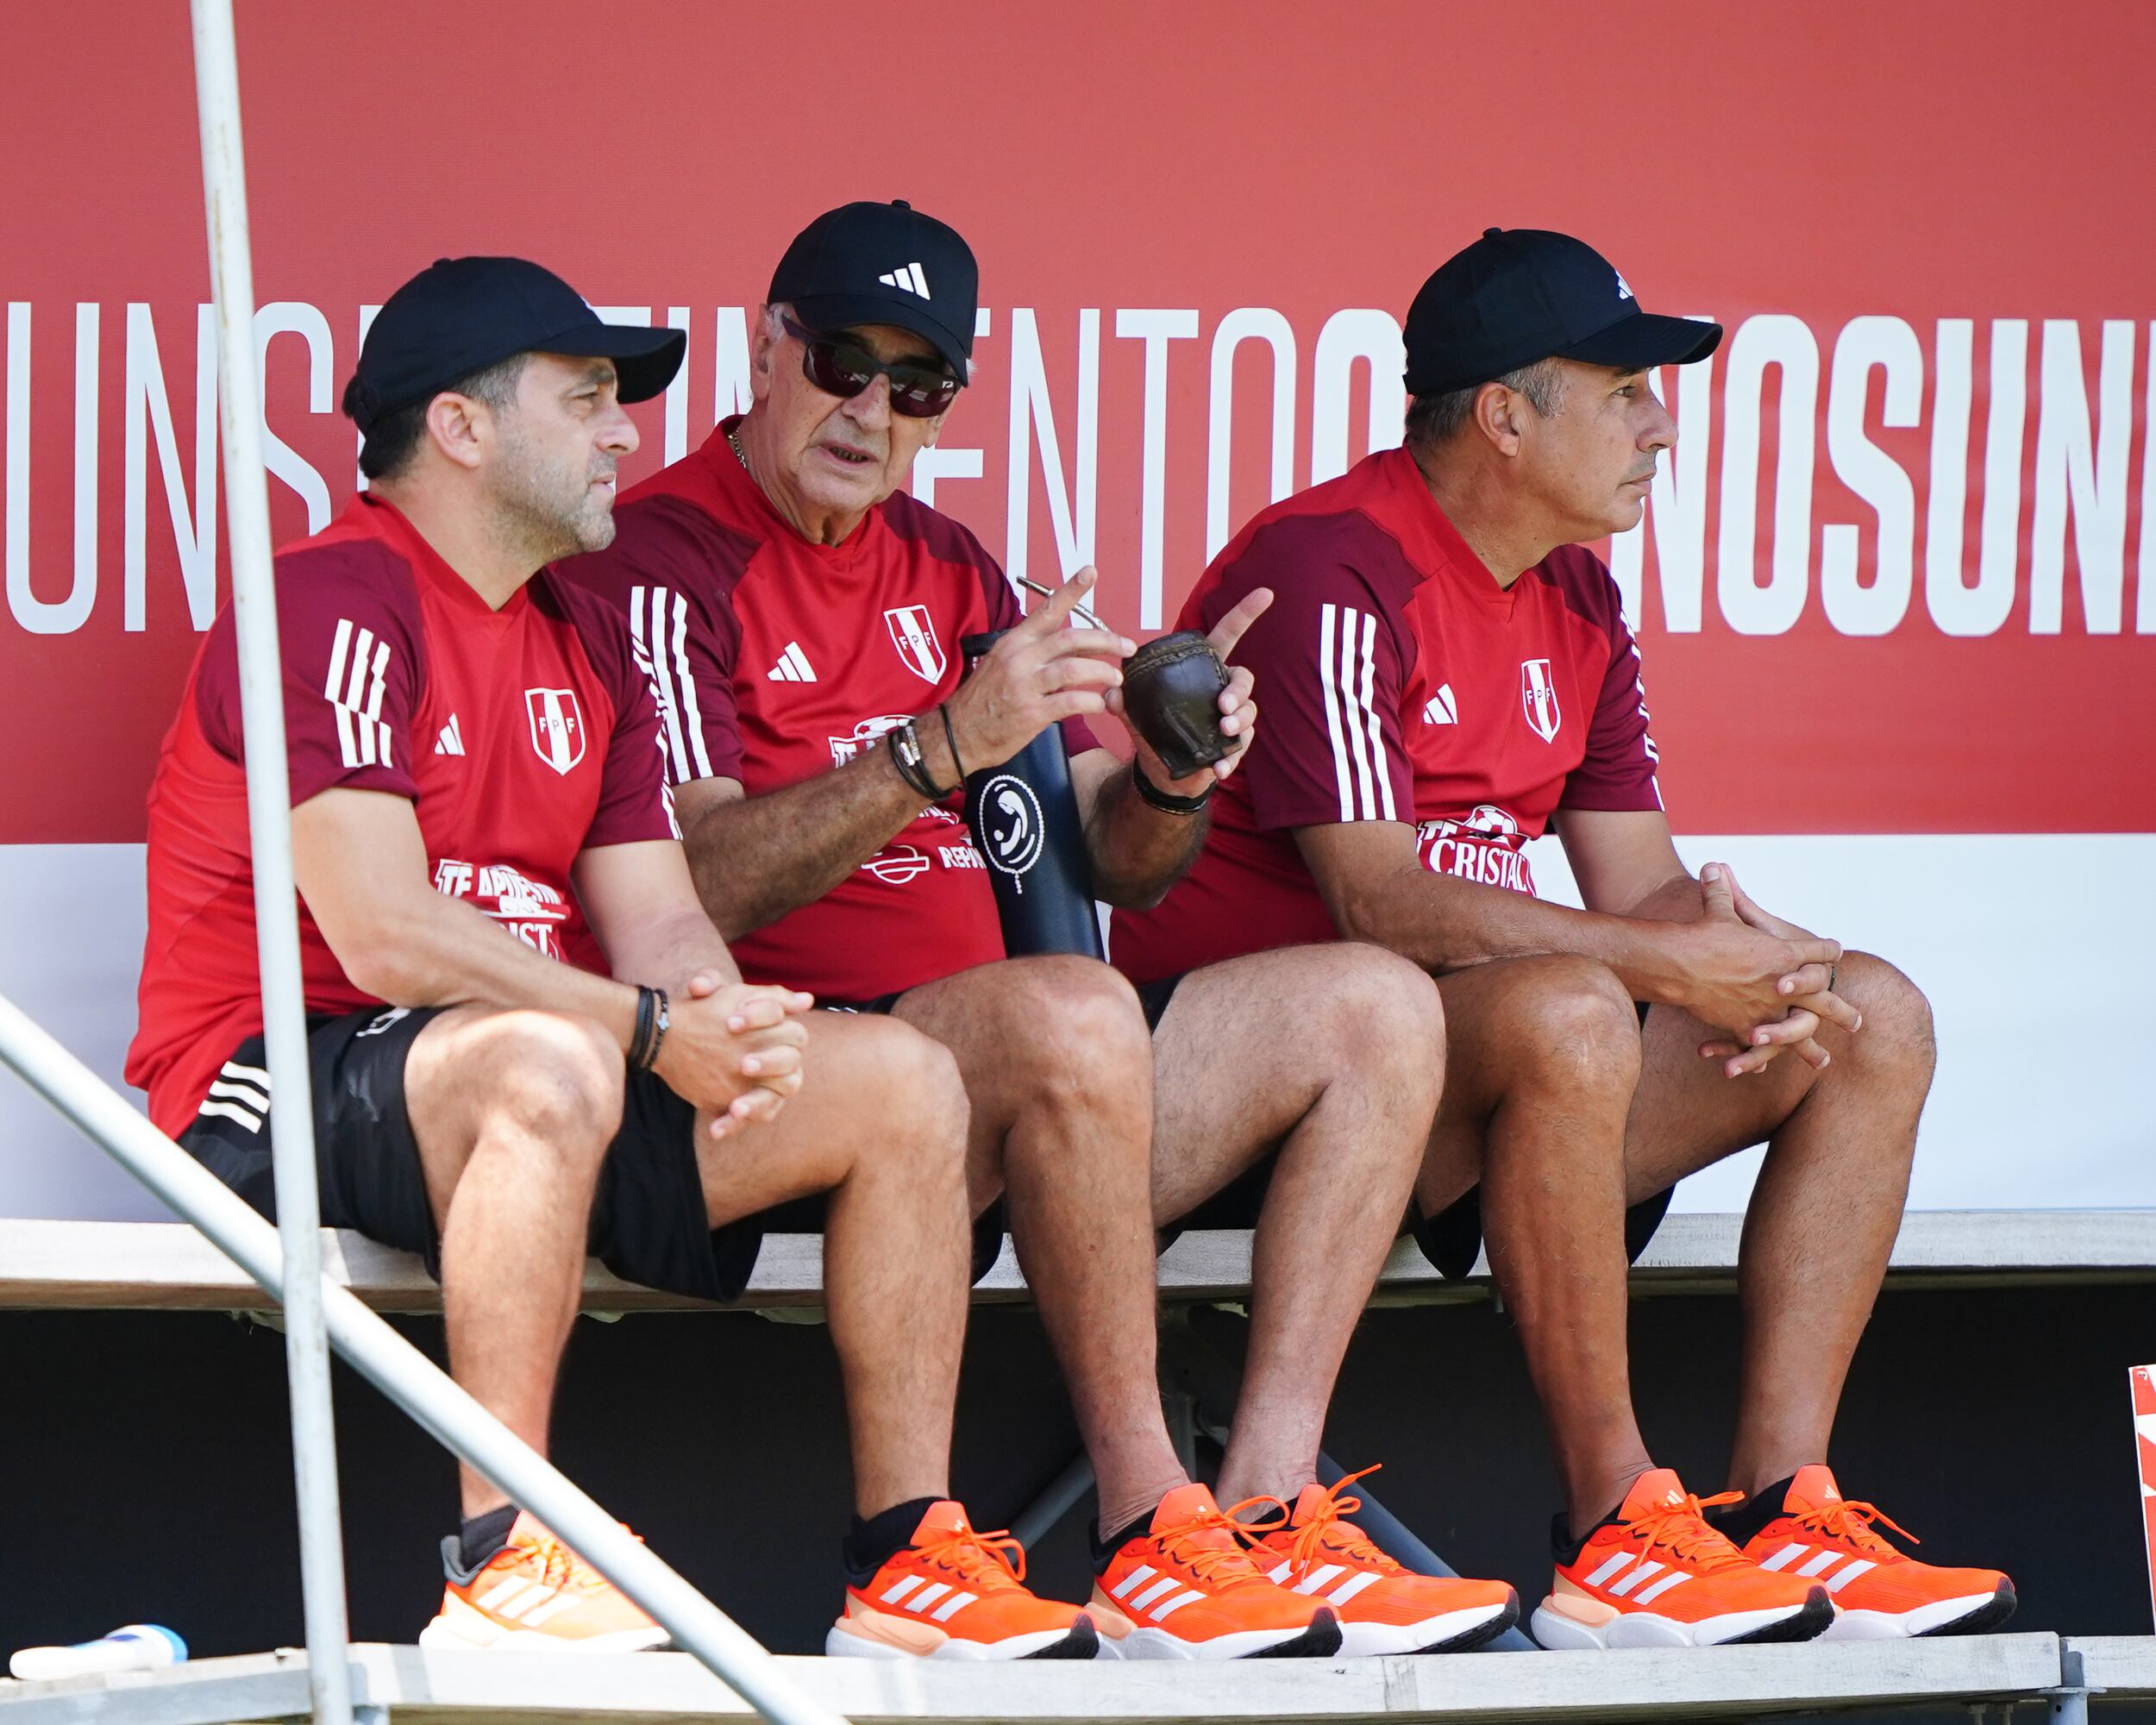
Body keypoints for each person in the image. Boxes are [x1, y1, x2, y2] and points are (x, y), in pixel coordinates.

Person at [561, 200, 1517, 1660]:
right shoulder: (660, 554)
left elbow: (1113, 863)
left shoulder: (951, 563)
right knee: (1067, 1006)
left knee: (1379, 1002)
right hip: (803, 1094)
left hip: (1035, 1093)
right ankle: (1147, 1530)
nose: (872, 411)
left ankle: (1269, 1511)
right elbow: (689, 882)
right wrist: (936, 748)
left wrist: (1174, 774)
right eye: (842, 363)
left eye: (919, 384)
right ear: (765, 349)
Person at [128, 257, 1098, 1662]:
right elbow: (384, 934)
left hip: (539, 1066)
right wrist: (646, 1027)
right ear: (461, 427)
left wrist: (733, 1026)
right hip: (280, 1070)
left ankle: (906, 1565)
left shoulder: (581, 635)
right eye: (584, 399)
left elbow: (661, 925)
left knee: (898, 1078)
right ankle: (504, 1556)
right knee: (551, 1057)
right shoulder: (332, 596)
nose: (624, 434)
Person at [1112, 229, 2013, 1649]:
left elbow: (1638, 885)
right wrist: (1660, 964)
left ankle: (1782, 1511)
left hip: (1484, 1082)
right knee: (1574, 1010)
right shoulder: (1332, 567)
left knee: (1868, 1016)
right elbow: (1380, 904)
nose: (1662, 428)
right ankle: (1614, 1530)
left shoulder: (1577, 587)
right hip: (1280, 1100)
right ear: (1505, 417)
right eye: (1626, 392)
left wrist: (1759, 958)